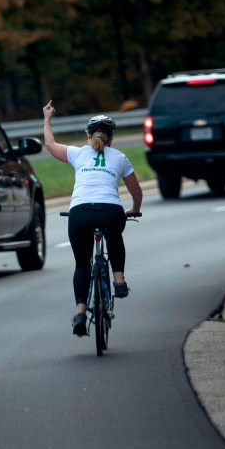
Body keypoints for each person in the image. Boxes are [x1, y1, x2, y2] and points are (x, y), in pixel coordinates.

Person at [42, 101, 143, 336]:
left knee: (81, 264)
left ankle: (80, 312)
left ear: (89, 135)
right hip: (111, 211)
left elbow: (49, 145)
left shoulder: (77, 153)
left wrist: (47, 119)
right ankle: (119, 281)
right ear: (111, 138)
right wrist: (134, 209)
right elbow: (136, 191)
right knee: (114, 236)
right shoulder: (119, 157)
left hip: (80, 213)